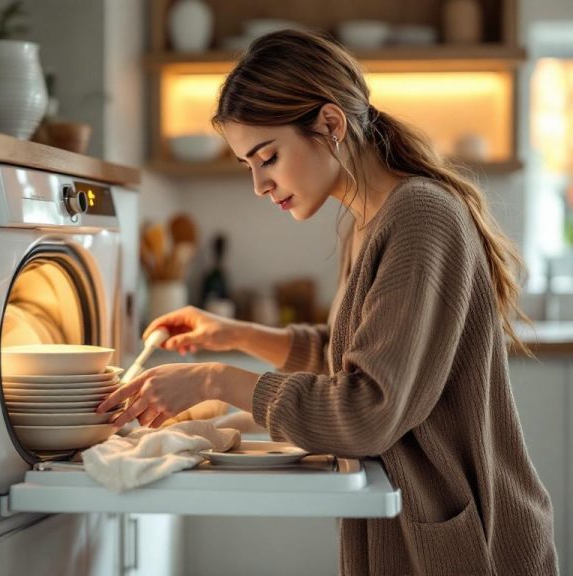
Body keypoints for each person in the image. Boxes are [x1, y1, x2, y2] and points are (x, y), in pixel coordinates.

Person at [97, 30, 558, 575]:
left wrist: (212, 379)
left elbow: (366, 410)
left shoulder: (420, 218)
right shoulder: (371, 220)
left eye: (266, 157)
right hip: (425, 535)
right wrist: (238, 334)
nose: (259, 184)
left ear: (331, 125)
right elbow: (355, 356)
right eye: (248, 164)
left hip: (469, 547)